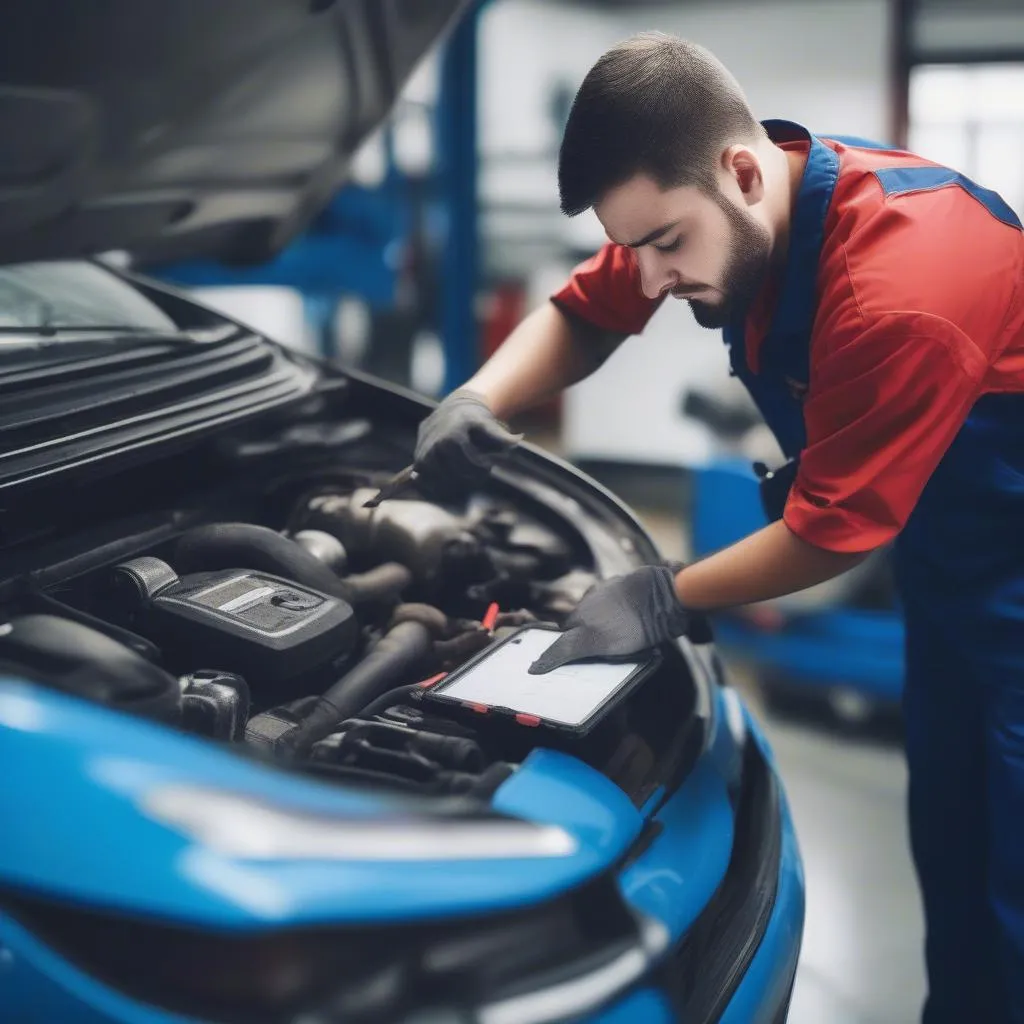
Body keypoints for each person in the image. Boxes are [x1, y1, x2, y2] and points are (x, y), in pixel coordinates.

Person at [412, 31, 1024, 1023]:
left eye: (665, 247)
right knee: (955, 870)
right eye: (637, 246)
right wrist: (480, 398)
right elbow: (587, 312)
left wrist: (664, 594)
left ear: (741, 170)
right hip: (952, 587)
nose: (650, 277)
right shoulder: (724, 203)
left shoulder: (899, 290)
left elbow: (835, 532)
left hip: (1010, 591)